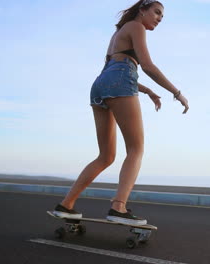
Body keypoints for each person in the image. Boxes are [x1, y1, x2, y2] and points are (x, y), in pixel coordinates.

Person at [53, 0, 189, 226]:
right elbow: (146, 66)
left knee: (105, 156)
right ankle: (119, 207)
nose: (159, 18)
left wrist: (146, 90)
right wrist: (177, 92)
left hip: (100, 85)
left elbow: (114, 70)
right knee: (136, 149)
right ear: (142, 10)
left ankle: (66, 205)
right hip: (118, 81)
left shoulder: (118, 33)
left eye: (162, 17)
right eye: (156, 12)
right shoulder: (136, 27)